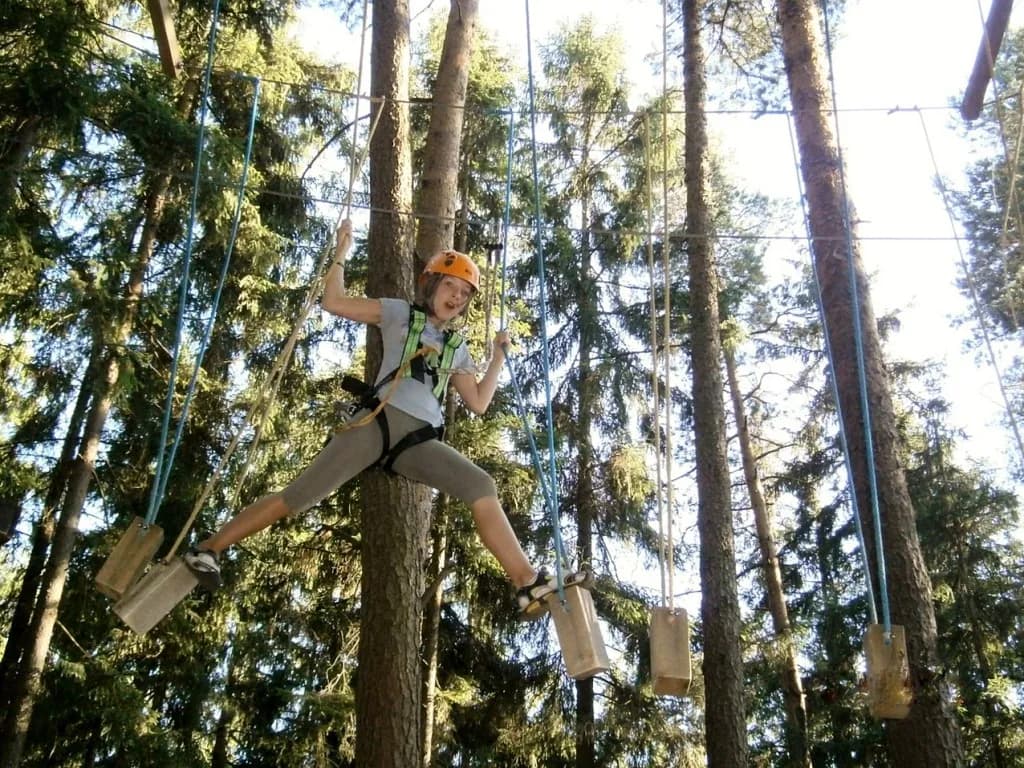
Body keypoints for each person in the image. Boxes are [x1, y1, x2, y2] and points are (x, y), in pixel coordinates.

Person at [184, 219, 565, 619]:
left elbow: (478, 403)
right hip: (376, 422)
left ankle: (526, 583)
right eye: (451, 285)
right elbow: (334, 303)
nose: (457, 297)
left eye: (465, 293)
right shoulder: (399, 312)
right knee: (300, 496)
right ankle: (209, 548)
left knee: (480, 484)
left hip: (417, 441)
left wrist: (498, 356)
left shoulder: (456, 347)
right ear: (431, 284)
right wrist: (340, 255)